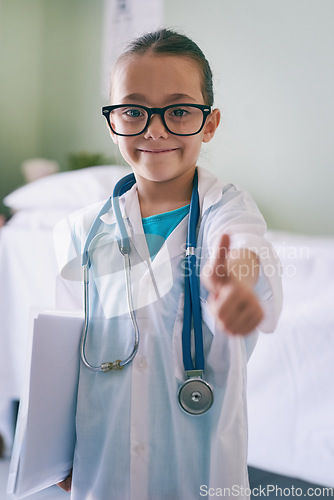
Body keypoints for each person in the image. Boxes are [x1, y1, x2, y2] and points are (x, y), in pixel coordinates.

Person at [56, 28, 282, 499]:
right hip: (104, 465)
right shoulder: (81, 231)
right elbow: (62, 352)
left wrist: (237, 288)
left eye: (178, 111)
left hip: (197, 469)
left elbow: (243, 248)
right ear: (112, 121)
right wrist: (56, 452)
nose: (154, 129)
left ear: (210, 122)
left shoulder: (229, 210)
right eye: (133, 111)